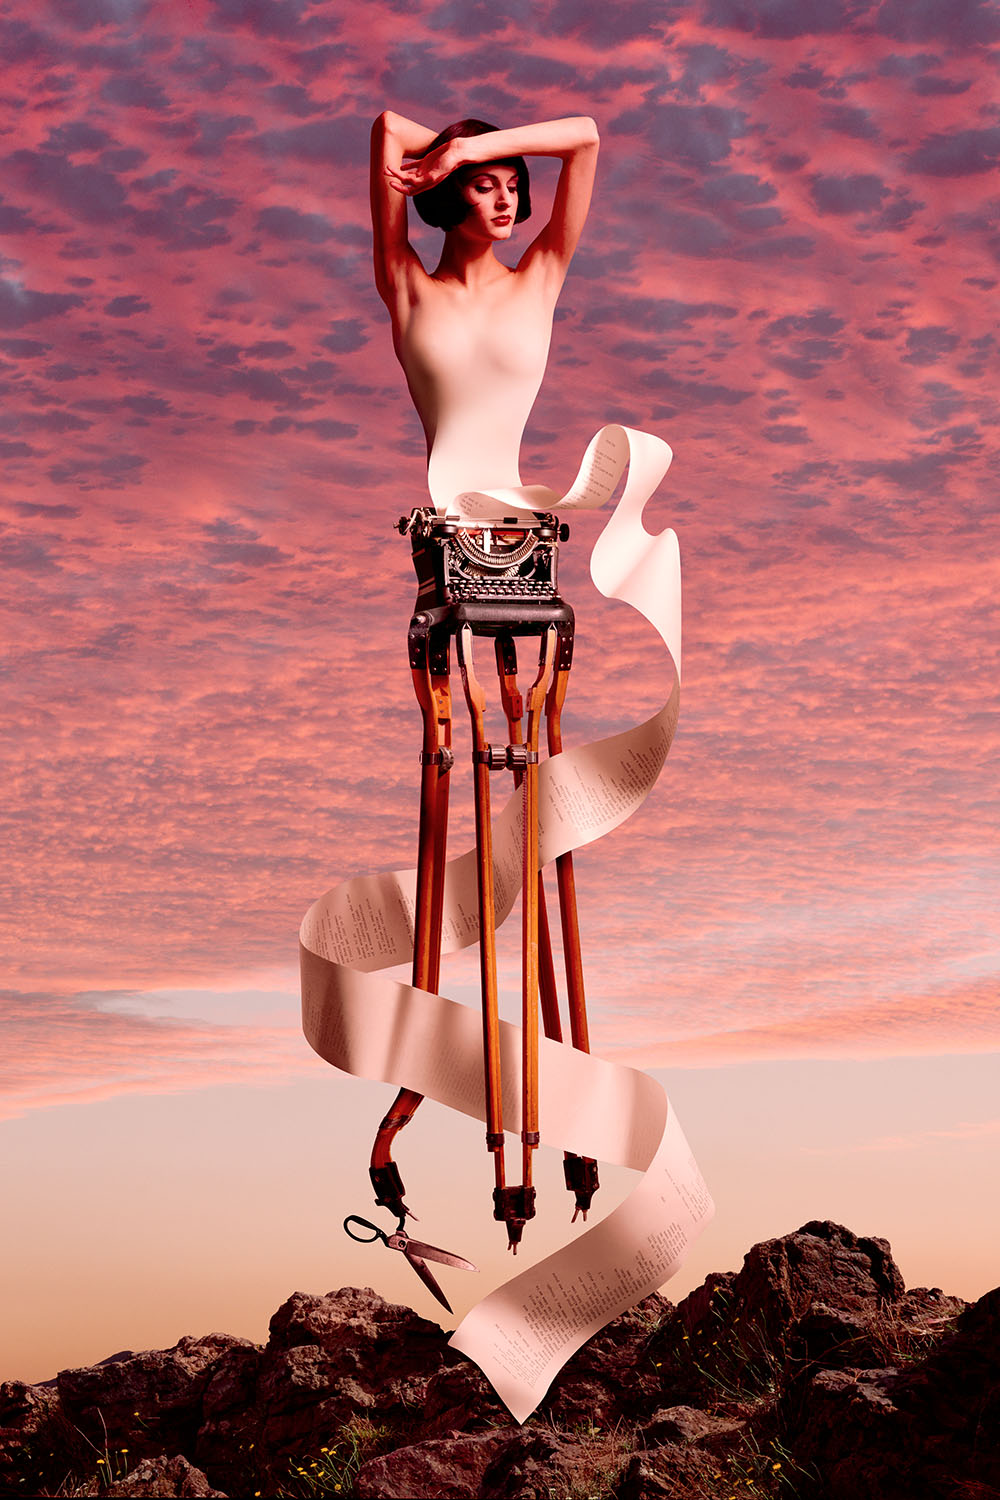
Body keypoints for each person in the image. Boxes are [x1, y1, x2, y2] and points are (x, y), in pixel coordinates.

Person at [369, 111, 600, 510]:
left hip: (525, 528)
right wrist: (451, 162)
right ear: (449, 188)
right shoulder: (407, 287)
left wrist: (464, 150)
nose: (505, 200)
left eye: (512, 186)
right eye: (483, 186)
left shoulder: (538, 278)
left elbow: (585, 138)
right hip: (447, 529)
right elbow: (390, 127)